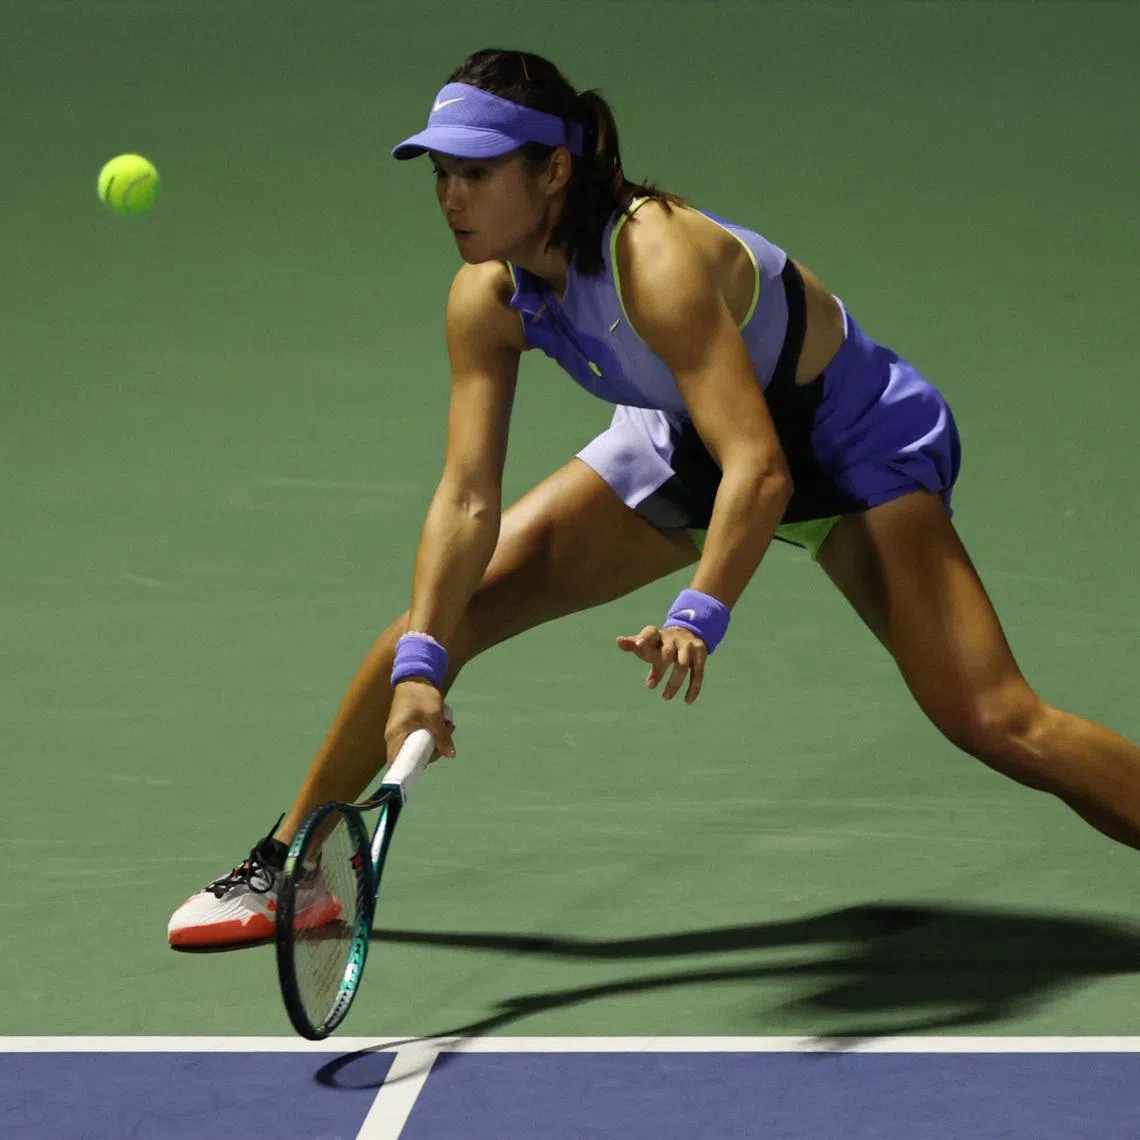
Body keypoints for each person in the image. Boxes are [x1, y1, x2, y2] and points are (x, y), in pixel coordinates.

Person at [169, 48, 1140, 949]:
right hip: (689, 443)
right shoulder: (486, 296)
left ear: (555, 170)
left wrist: (699, 611)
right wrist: (427, 662)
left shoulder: (657, 259)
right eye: (441, 173)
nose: (452, 196)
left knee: (996, 720)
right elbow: (467, 498)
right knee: (427, 624)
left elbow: (764, 469)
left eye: (477, 171)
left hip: (848, 451)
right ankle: (291, 870)